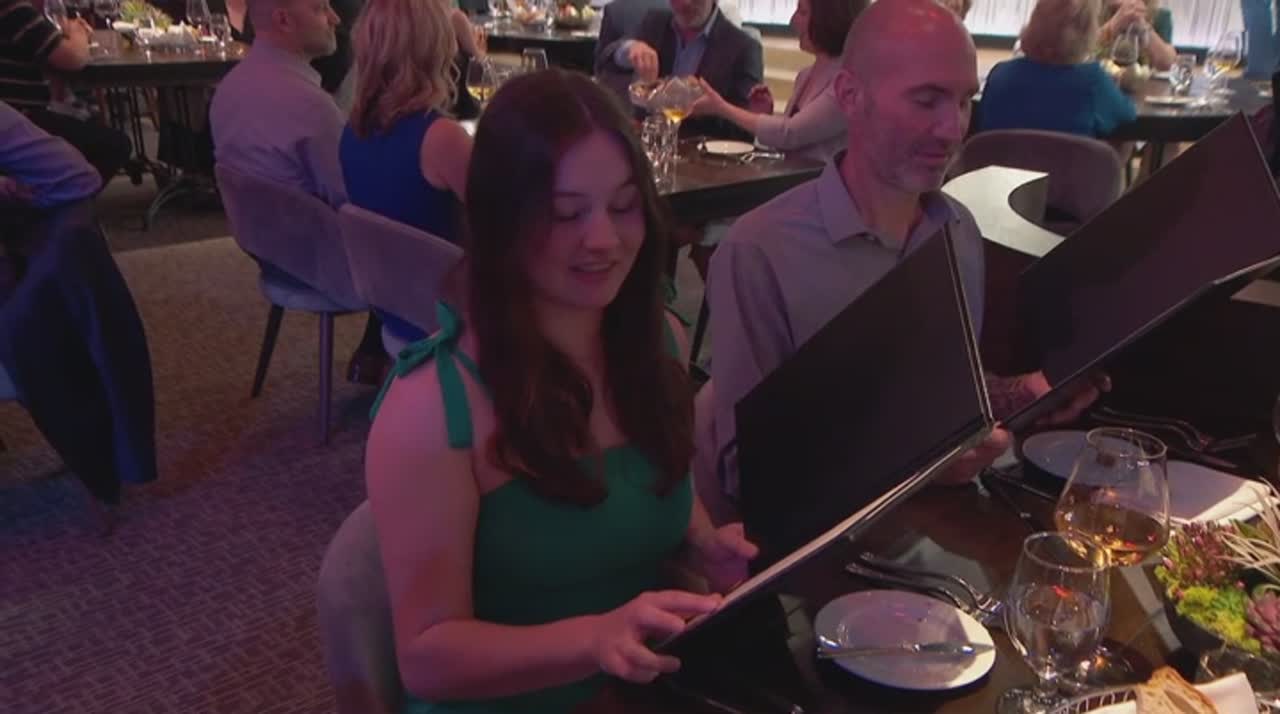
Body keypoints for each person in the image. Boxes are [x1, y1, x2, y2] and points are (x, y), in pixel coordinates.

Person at [365, 69, 757, 714]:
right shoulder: (431, 408)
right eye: (565, 213)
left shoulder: (657, 338)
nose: (603, 239)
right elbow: (427, 659)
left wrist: (702, 542)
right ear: (501, 222)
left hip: (634, 689)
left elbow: (653, 485)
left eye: (624, 206)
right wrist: (593, 640)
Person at [701, 0, 1099, 523]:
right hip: (818, 546)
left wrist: (1024, 393)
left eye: (964, 102)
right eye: (926, 100)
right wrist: (919, 467)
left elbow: (945, 390)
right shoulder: (761, 251)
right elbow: (748, 472)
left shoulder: (958, 229)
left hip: (927, 531)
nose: (953, 129)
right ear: (850, 96)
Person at [211, 0, 389, 383]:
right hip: (322, 263)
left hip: (267, 250)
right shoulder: (309, 106)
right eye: (320, 8)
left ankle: (373, 352)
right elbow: (355, 200)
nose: (335, 18)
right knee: (425, 222)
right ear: (284, 19)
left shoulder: (229, 88)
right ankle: (413, 366)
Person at [341, 0, 473, 342]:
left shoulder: (352, 130)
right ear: (436, 45)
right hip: (449, 316)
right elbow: (506, 218)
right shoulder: (440, 137)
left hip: (393, 305)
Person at [689, 0, 866, 162]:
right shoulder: (805, 75)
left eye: (802, 12)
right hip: (793, 182)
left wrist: (722, 108)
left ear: (831, 18)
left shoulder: (848, 84)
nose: (793, 21)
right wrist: (764, 115)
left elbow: (790, 133)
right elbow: (783, 148)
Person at [0, 0, 132, 184]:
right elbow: (73, 58)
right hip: (18, 120)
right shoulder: (16, 12)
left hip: (14, 116)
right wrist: (78, 32)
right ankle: (54, 193)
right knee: (115, 144)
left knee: (87, 124)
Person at [594, 0, 763, 139]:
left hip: (701, 157)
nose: (685, 3)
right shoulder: (655, 22)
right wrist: (629, 49)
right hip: (647, 145)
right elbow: (603, 61)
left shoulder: (743, 47)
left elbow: (745, 131)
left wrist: (711, 107)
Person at [978, 0, 1136, 137]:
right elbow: (1128, 115)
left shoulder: (1000, 74)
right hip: (1071, 164)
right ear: (1086, 31)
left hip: (1002, 163)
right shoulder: (1093, 82)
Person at [1097, 0, 1174, 71]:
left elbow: (1167, 64)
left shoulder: (1161, 16)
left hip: (1142, 81)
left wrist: (1142, 24)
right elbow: (1089, 52)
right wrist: (1111, 26)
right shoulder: (1094, 12)